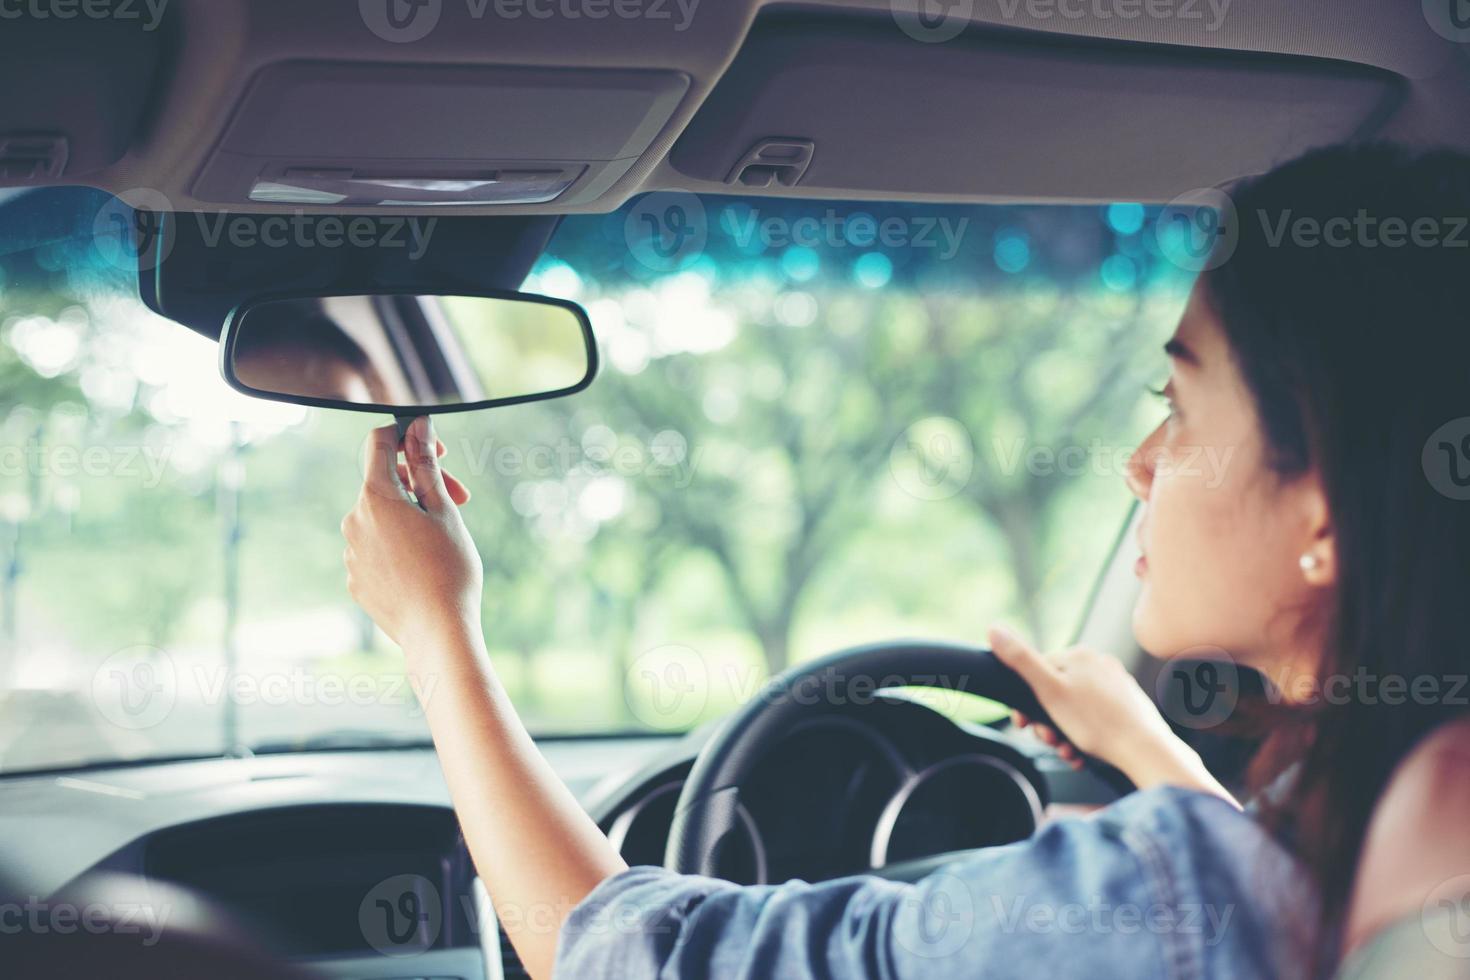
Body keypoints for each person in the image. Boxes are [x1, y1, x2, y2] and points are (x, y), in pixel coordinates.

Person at [340, 141, 1470, 979]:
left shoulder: (1153, 897)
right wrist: (1140, 742)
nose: (1138, 463)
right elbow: (1276, 896)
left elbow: (635, 956)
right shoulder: (1395, 837)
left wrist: (439, 632)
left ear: (1322, 510)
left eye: (1177, 408)